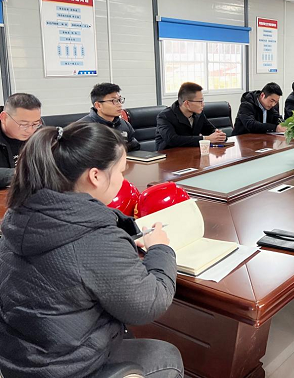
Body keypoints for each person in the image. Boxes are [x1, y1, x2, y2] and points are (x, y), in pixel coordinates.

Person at [0, 122, 182, 378]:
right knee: (166, 356)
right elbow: (149, 303)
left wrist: (124, 241)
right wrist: (160, 248)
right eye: (121, 171)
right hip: (64, 369)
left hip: (17, 361)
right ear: (95, 176)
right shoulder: (95, 239)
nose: (123, 179)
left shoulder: (18, 215)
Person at [156, 82, 227, 151]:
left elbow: (210, 130)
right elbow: (172, 140)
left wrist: (219, 135)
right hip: (169, 155)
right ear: (187, 103)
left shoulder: (199, 114)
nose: (203, 104)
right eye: (200, 101)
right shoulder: (164, 116)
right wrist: (206, 139)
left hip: (192, 154)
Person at [79, 82, 140, 152]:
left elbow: (134, 147)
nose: (120, 105)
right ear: (98, 105)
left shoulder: (124, 124)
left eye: (119, 100)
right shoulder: (83, 128)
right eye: (114, 101)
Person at [0, 93, 42, 189]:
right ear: (4, 118)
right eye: (24, 124)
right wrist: (20, 174)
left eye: (35, 123)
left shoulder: (39, 132)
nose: (30, 130)